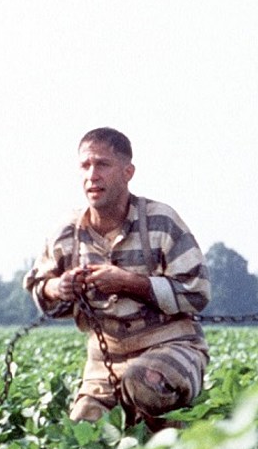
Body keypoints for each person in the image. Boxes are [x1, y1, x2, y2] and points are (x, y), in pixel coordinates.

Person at [24, 127, 211, 431]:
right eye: (85, 166)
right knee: (81, 435)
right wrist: (60, 288)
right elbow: (38, 285)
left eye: (103, 164)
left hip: (171, 348)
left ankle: (176, 446)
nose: (92, 175)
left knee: (146, 383)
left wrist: (128, 283)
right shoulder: (67, 232)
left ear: (127, 172)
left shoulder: (161, 221)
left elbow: (198, 291)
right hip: (105, 360)